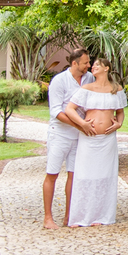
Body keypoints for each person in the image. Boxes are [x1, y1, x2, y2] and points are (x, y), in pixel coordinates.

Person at [63, 57, 127, 227]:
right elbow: (69, 109)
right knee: (84, 175)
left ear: (106, 68)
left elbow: (120, 112)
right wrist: (82, 123)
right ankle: (80, 216)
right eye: (93, 65)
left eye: (97, 65)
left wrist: (119, 124)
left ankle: (101, 215)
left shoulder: (116, 89)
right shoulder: (86, 89)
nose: (93, 67)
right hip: (89, 139)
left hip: (107, 141)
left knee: (104, 176)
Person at [42, 48, 95, 230]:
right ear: (74, 63)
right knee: (52, 173)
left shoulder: (89, 78)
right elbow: (56, 111)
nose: (89, 65)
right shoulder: (59, 81)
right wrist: (79, 125)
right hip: (60, 134)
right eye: (86, 63)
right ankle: (48, 218)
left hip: (79, 136)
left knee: (74, 175)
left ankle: (69, 216)